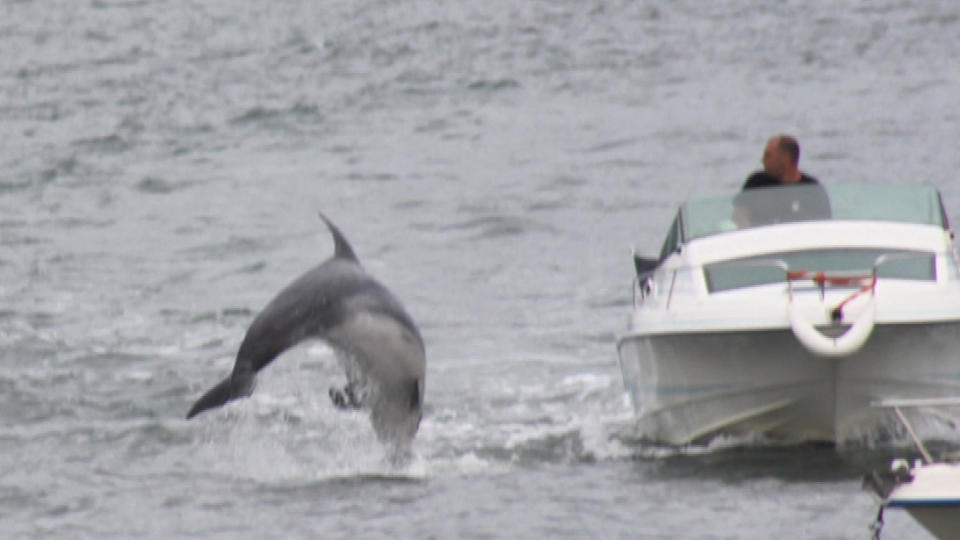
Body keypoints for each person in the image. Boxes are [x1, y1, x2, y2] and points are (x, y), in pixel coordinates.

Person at [736, 135, 831, 225]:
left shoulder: (812, 190)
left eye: (768, 156)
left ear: (785, 159)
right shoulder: (756, 183)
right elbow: (740, 215)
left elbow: (823, 223)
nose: (763, 160)